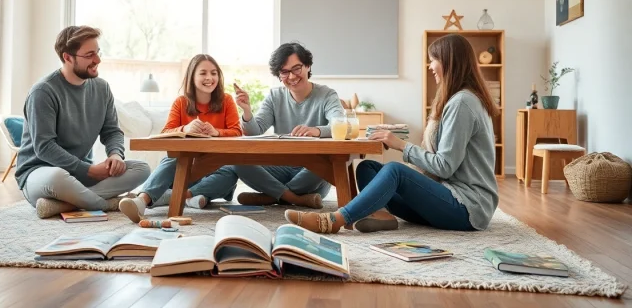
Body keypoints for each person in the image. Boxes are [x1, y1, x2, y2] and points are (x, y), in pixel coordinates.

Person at [284, 33, 499, 233]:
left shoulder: (463, 102)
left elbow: (444, 166)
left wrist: (401, 145)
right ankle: (383, 216)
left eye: (434, 60)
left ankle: (334, 221)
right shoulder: (458, 99)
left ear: (450, 62)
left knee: (396, 171)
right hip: (447, 197)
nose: (430, 66)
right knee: (367, 168)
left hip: (467, 208)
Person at [15, 26, 151, 219]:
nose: (97, 60)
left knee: (141, 168)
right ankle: (110, 204)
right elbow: (44, 147)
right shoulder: (43, 92)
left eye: (97, 53)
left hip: (82, 176)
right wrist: (87, 170)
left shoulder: (102, 88)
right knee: (57, 177)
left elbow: (112, 131)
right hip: (40, 174)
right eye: (89, 55)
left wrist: (115, 155)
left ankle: (64, 204)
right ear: (68, 57)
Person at [119, 54, 242, 222]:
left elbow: (237, 132)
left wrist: (217, 132)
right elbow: (165, 132)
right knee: (172, 160)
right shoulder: (181, 102)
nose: (209, 78)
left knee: (231, 172)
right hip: (187, 171)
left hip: (217, 173)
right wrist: (185, 128)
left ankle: (177, 196)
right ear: (192, 76)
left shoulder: (226, 101)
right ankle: (142, 201)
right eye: (203, 73)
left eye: (214, 73)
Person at [233, 42, 346, 209]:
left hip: (312, 174)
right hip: (280, 167)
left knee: (327, 162)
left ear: (307, 66)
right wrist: (247, 111)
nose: (292, 77)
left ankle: (272, 196)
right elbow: (254, 132)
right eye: (284, 72)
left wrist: (316, 131)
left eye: (296, 69)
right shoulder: (274, 96)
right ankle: (295, 198)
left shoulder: (327, 95)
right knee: (238, 162)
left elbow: (340, 125)